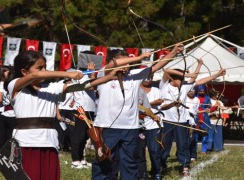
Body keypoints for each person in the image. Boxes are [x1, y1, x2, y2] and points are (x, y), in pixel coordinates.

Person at [7, 50, 119, 179]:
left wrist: (108, 77)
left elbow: (84, 86)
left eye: (45, 67)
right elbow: (34, 76)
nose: (44, 70)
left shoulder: (51, 87)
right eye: (40, 67)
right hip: (26, 143)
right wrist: (67, 73)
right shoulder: (15, 86)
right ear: (24, 72)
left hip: (48, 141)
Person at [92, 43, 184, 180]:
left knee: (130, 164)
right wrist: (138, 58)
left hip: (130, 128)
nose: (126, 66)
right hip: (107, 127)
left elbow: (157, 65)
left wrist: (174, 52)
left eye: (128, 63)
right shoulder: (104, 74)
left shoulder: (134, 75)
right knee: (104, 162)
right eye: (124, 62)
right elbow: (114, 63)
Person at [159, 59, 225, 176]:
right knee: (165, 144)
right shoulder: (163, 85)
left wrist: (217, 74)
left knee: (183, 144)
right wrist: (187, 74)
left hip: (182, 121)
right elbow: (167, 70)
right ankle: (160, 164)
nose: (184, 81)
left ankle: (185, 165)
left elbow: (199, 81)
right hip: (167, 121)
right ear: (173, 78)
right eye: (181, 78)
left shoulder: (184, 87)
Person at [138, 78, 163, 180]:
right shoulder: (136, 89)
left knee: (154, 150)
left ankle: (156, 172)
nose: (148, 79)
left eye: (150, 77)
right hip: (139, 124)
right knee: (140, 151)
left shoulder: (156, 90)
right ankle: (142, 174)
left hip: (154, 124)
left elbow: (160, 100)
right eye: (146, 77)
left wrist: (145, 105)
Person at [185, 88, 200, 163]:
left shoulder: (197, 100)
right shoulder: (183, 98)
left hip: (192, 121)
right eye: (190, 90)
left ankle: (193, 156)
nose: (192, 92)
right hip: (184, 121)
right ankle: (183, 155)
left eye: (193, 90)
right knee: (184, 139)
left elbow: (196, 111)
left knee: (192, 138)